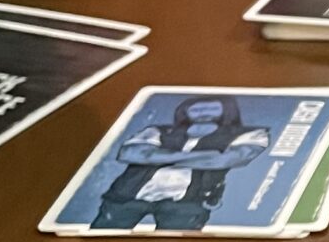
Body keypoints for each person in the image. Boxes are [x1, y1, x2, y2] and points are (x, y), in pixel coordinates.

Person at [90, 98, 272, 232]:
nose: (204, 113)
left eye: (212, 108)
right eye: (196, 109)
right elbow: (129, 154)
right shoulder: (158, 130)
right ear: (185, 110)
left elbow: (224, 160)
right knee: (101, 240)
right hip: (127, 196)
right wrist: (207, 155)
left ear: (226, 110)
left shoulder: (252, 133)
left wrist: (155, 156)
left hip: (189, 201)